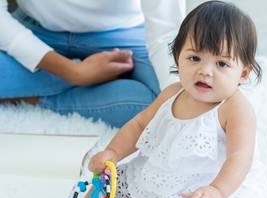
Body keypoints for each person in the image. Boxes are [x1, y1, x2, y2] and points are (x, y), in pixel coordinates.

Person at [29, 0, 267, 198]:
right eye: (194, 58)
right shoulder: (172, 93)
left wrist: (217, 191)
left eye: (221, 64)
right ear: (177, 56)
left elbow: (240, 157)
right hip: (161, 175)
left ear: (243, 73)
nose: (205, 70)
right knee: (106, 187)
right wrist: (113, 152)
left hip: (207, 191)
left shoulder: (235, 109)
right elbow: (138, 124)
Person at [0, 0, 185, 128]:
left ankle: (30, 97)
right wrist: (74, 73)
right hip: (35, 30)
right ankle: (101, 80)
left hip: (125, 34)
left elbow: (166, 34)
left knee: (170, 105)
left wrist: (177, 102)